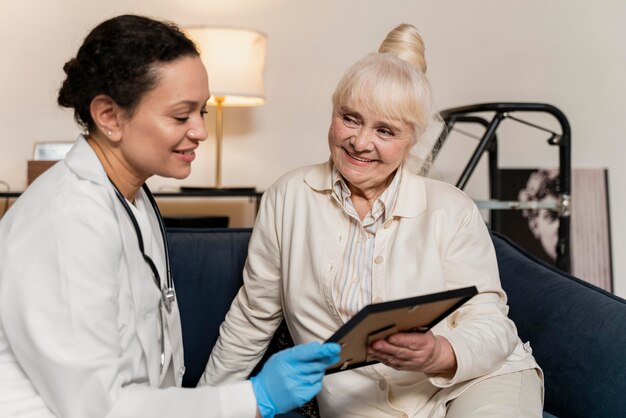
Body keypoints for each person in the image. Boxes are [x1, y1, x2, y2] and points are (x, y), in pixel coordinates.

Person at [0, 14, 339, 418]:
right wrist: (253, 397)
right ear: (108, 116)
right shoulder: (66, 223)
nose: (200, 132)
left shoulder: (132, 194)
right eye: (181, 116)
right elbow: (99, 409)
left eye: (203, 113)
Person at [201, 24, 543, 417]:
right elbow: (252, 315)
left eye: (385, 130)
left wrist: (440, 353)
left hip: (478, 380)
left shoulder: (452, 208)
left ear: (412, 139)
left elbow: (490, 323)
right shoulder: (288, 197)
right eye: (350, 119)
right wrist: (200, 406)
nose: (361, 142)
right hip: (359, 404)